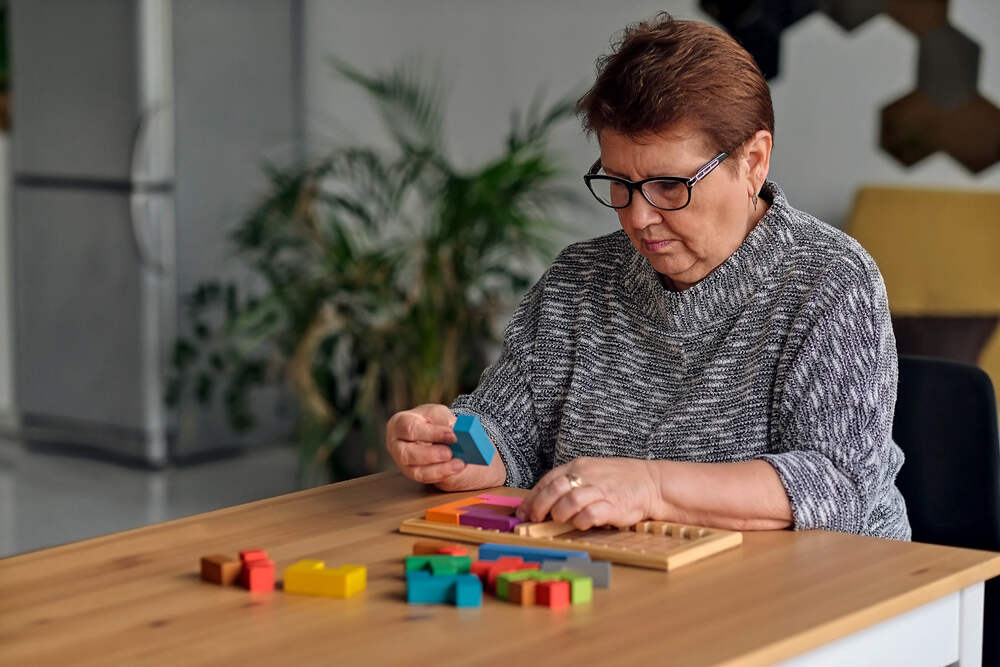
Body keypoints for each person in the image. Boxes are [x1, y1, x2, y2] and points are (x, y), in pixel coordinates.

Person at [385, 13, 910, 540]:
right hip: (626, 585)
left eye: (668, 185)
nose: (638, 217)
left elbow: (837, 485)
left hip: (822, 593)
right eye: (619, 182)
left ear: (753, 162)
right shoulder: (580, 279)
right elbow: (511, 437)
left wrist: (650, 487)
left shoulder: (832, 281)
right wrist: (459, 450)